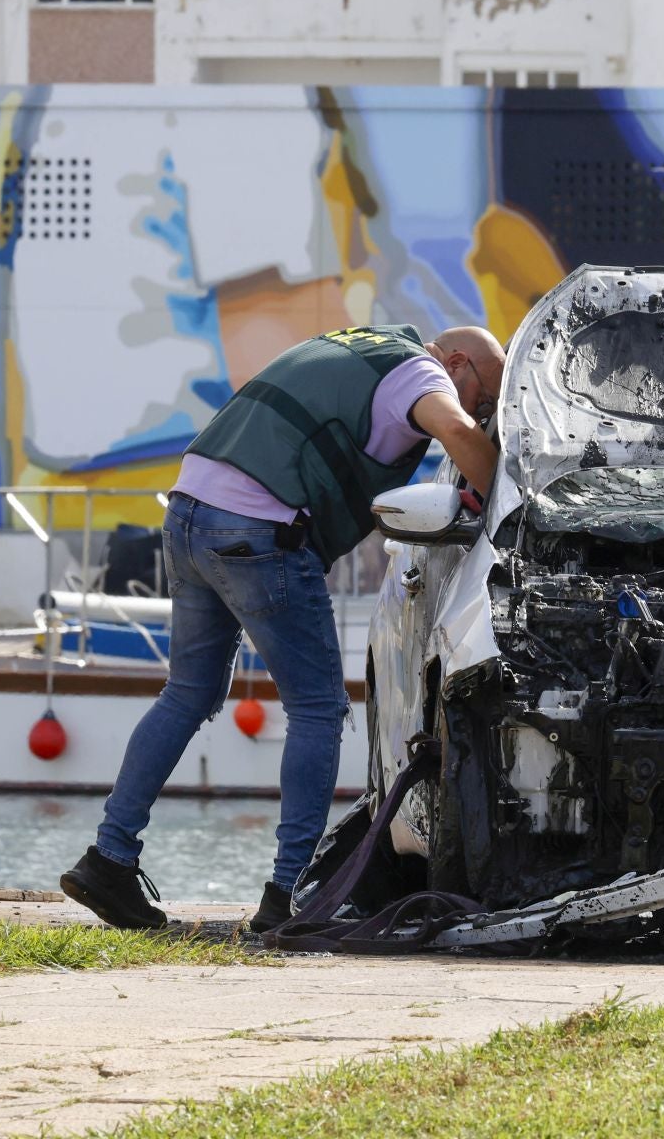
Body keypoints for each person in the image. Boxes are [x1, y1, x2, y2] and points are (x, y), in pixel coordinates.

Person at [60, 324, 505, 932]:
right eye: (484, 401)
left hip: (188, 513)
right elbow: (453, 431)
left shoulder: (357, 342)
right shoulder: (421, 374)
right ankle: (289, 897)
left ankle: (107, 858)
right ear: (457, 364)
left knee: (186, 694)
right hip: (257, 532)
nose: (477, 417)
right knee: (319, 709)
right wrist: (512, 506)